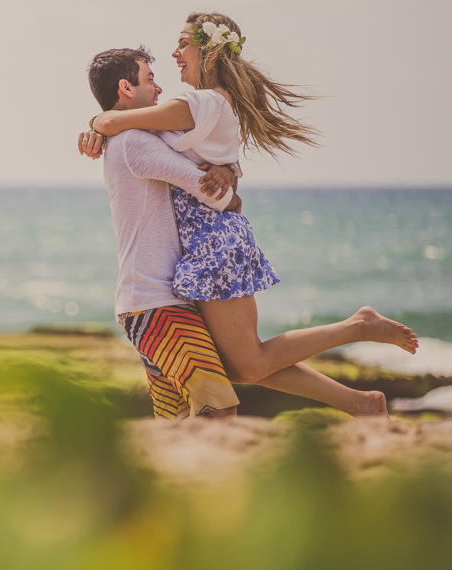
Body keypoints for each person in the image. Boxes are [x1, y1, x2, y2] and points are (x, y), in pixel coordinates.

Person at [80, 15, 417, 416]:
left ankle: (359, 333)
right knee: (239, 366)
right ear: (125, 86)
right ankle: (358, 399)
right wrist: (229, 179)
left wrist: (101, 122)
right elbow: (167, 150)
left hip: (206, 250)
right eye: (150, 76)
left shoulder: (196, 103)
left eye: (183, 43)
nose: (167, 68)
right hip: (188, 265)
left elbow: (130, 126)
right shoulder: (167, 123)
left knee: (243, 367)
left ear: (210, 52)